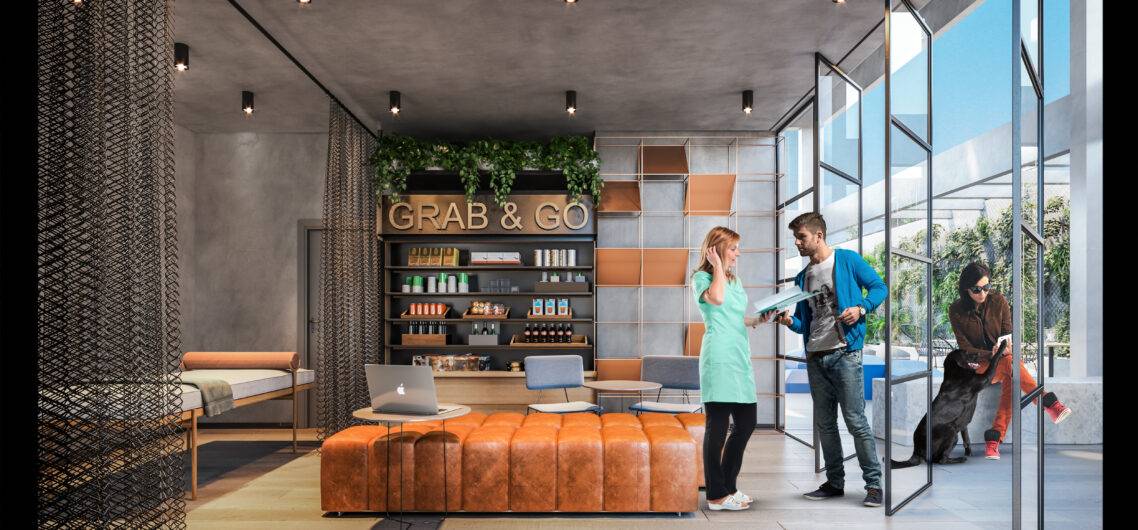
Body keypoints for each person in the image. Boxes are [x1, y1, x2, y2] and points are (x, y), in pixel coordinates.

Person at [766, 212, 886, 507]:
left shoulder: (846, 260)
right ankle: (835, 482)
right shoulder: (803, 277)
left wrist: (861, 308)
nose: (797, 242)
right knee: (825, 424)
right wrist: (788, 321)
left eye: (801, 237)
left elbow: (879, 287)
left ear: (818, 236)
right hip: (815, 356)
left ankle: (874, 485)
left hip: (845, 353)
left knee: (856, 421)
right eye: (795, 238)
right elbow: (806, 324)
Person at [948, 261, 1073, 460]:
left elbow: (1008, 334)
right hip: (977, 367)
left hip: (1003, 360)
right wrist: (991, 354)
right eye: (976, 289)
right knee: (1010, 365)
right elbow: (964, 348)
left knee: (1010, 370)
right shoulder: (956, 309)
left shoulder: (999, 301)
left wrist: (1003, 348)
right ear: (966, 289)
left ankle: (994, 440)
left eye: (986, 287)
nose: (983, 293)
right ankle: (1047, 401)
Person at [692, 226, 767, 511]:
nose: (738, 254)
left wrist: (758, 320)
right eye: (733, 248)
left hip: (739, 357)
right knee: (718, 427)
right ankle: (716, 495)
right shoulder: (702, 278)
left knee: (747, 423)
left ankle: (728, 487)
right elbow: (717, 299)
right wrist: (717, 267)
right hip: (719, 358)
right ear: (717, 249)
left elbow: (735, 316)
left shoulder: (734, 280)